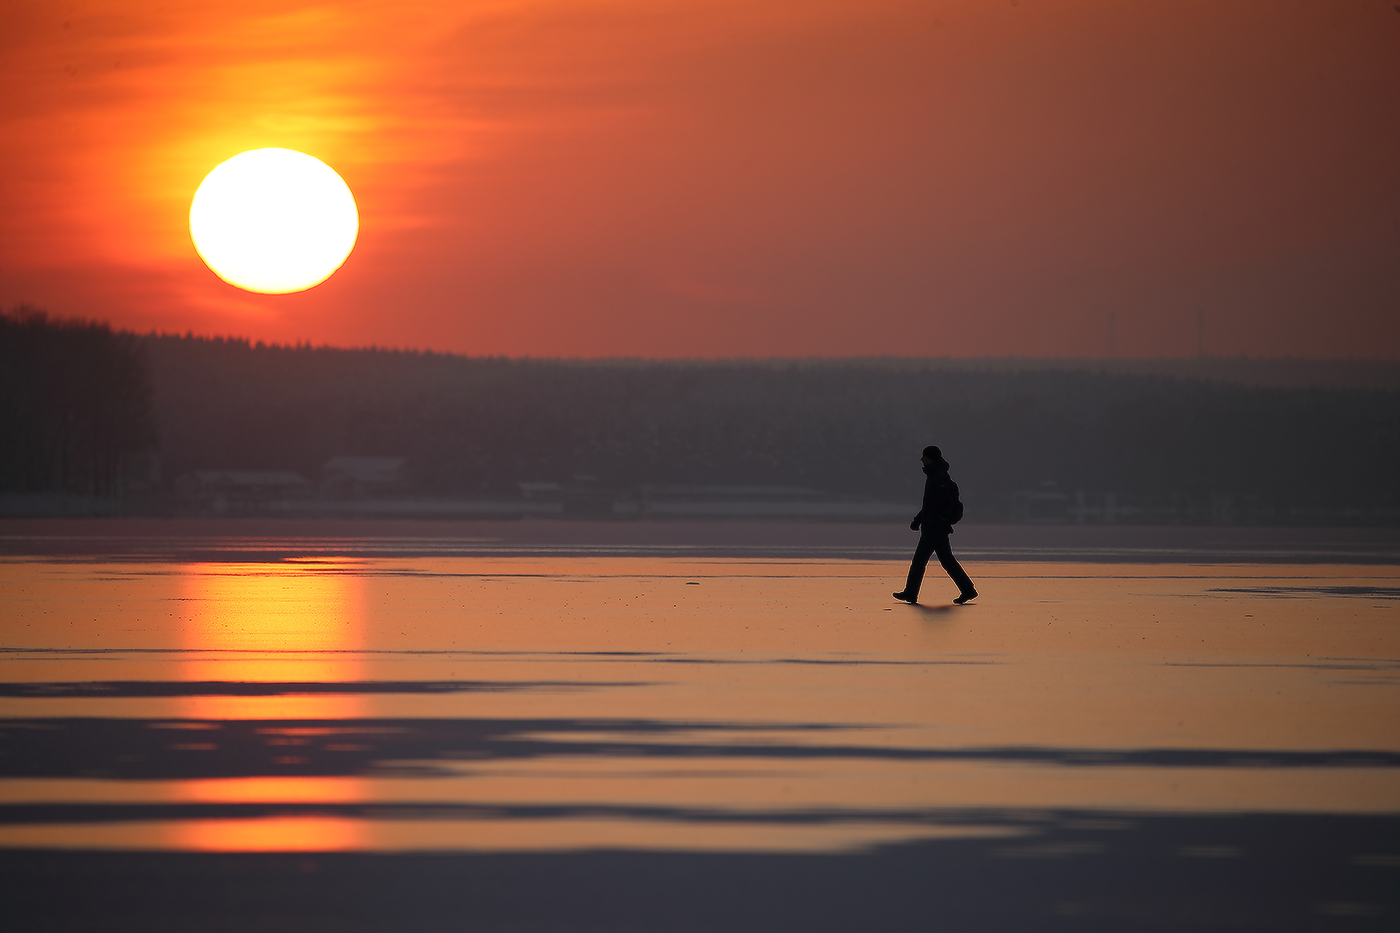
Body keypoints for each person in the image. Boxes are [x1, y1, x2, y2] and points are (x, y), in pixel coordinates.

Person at [893, 445, 977, 605]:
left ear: (930, 458)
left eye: (924, 456)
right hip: (934, 526)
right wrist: (918, 520)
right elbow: (930, 504)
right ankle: (967, 589)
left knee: (920, 561)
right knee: (946, 560)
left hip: (935, 527)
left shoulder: (939, 476)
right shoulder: (934, 475)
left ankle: (911, 592)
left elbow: (945, 501)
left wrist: (941, 521)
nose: (921, 459)